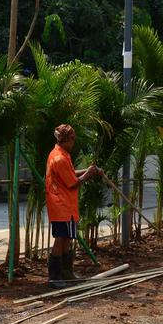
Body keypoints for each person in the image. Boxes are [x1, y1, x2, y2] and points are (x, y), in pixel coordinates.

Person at [46, 123, 101, 287]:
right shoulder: (60, 158)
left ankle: (66, 273)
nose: (73, 143)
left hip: (64, 205)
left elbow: (70, 174)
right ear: (66, 140)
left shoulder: (61, 154)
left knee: (67, 238)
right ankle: (55, 277)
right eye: (72, 140)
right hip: (61, 205)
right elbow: (73, 183)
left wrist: (88, 170)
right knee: (61, 238)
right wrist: (88, 174)